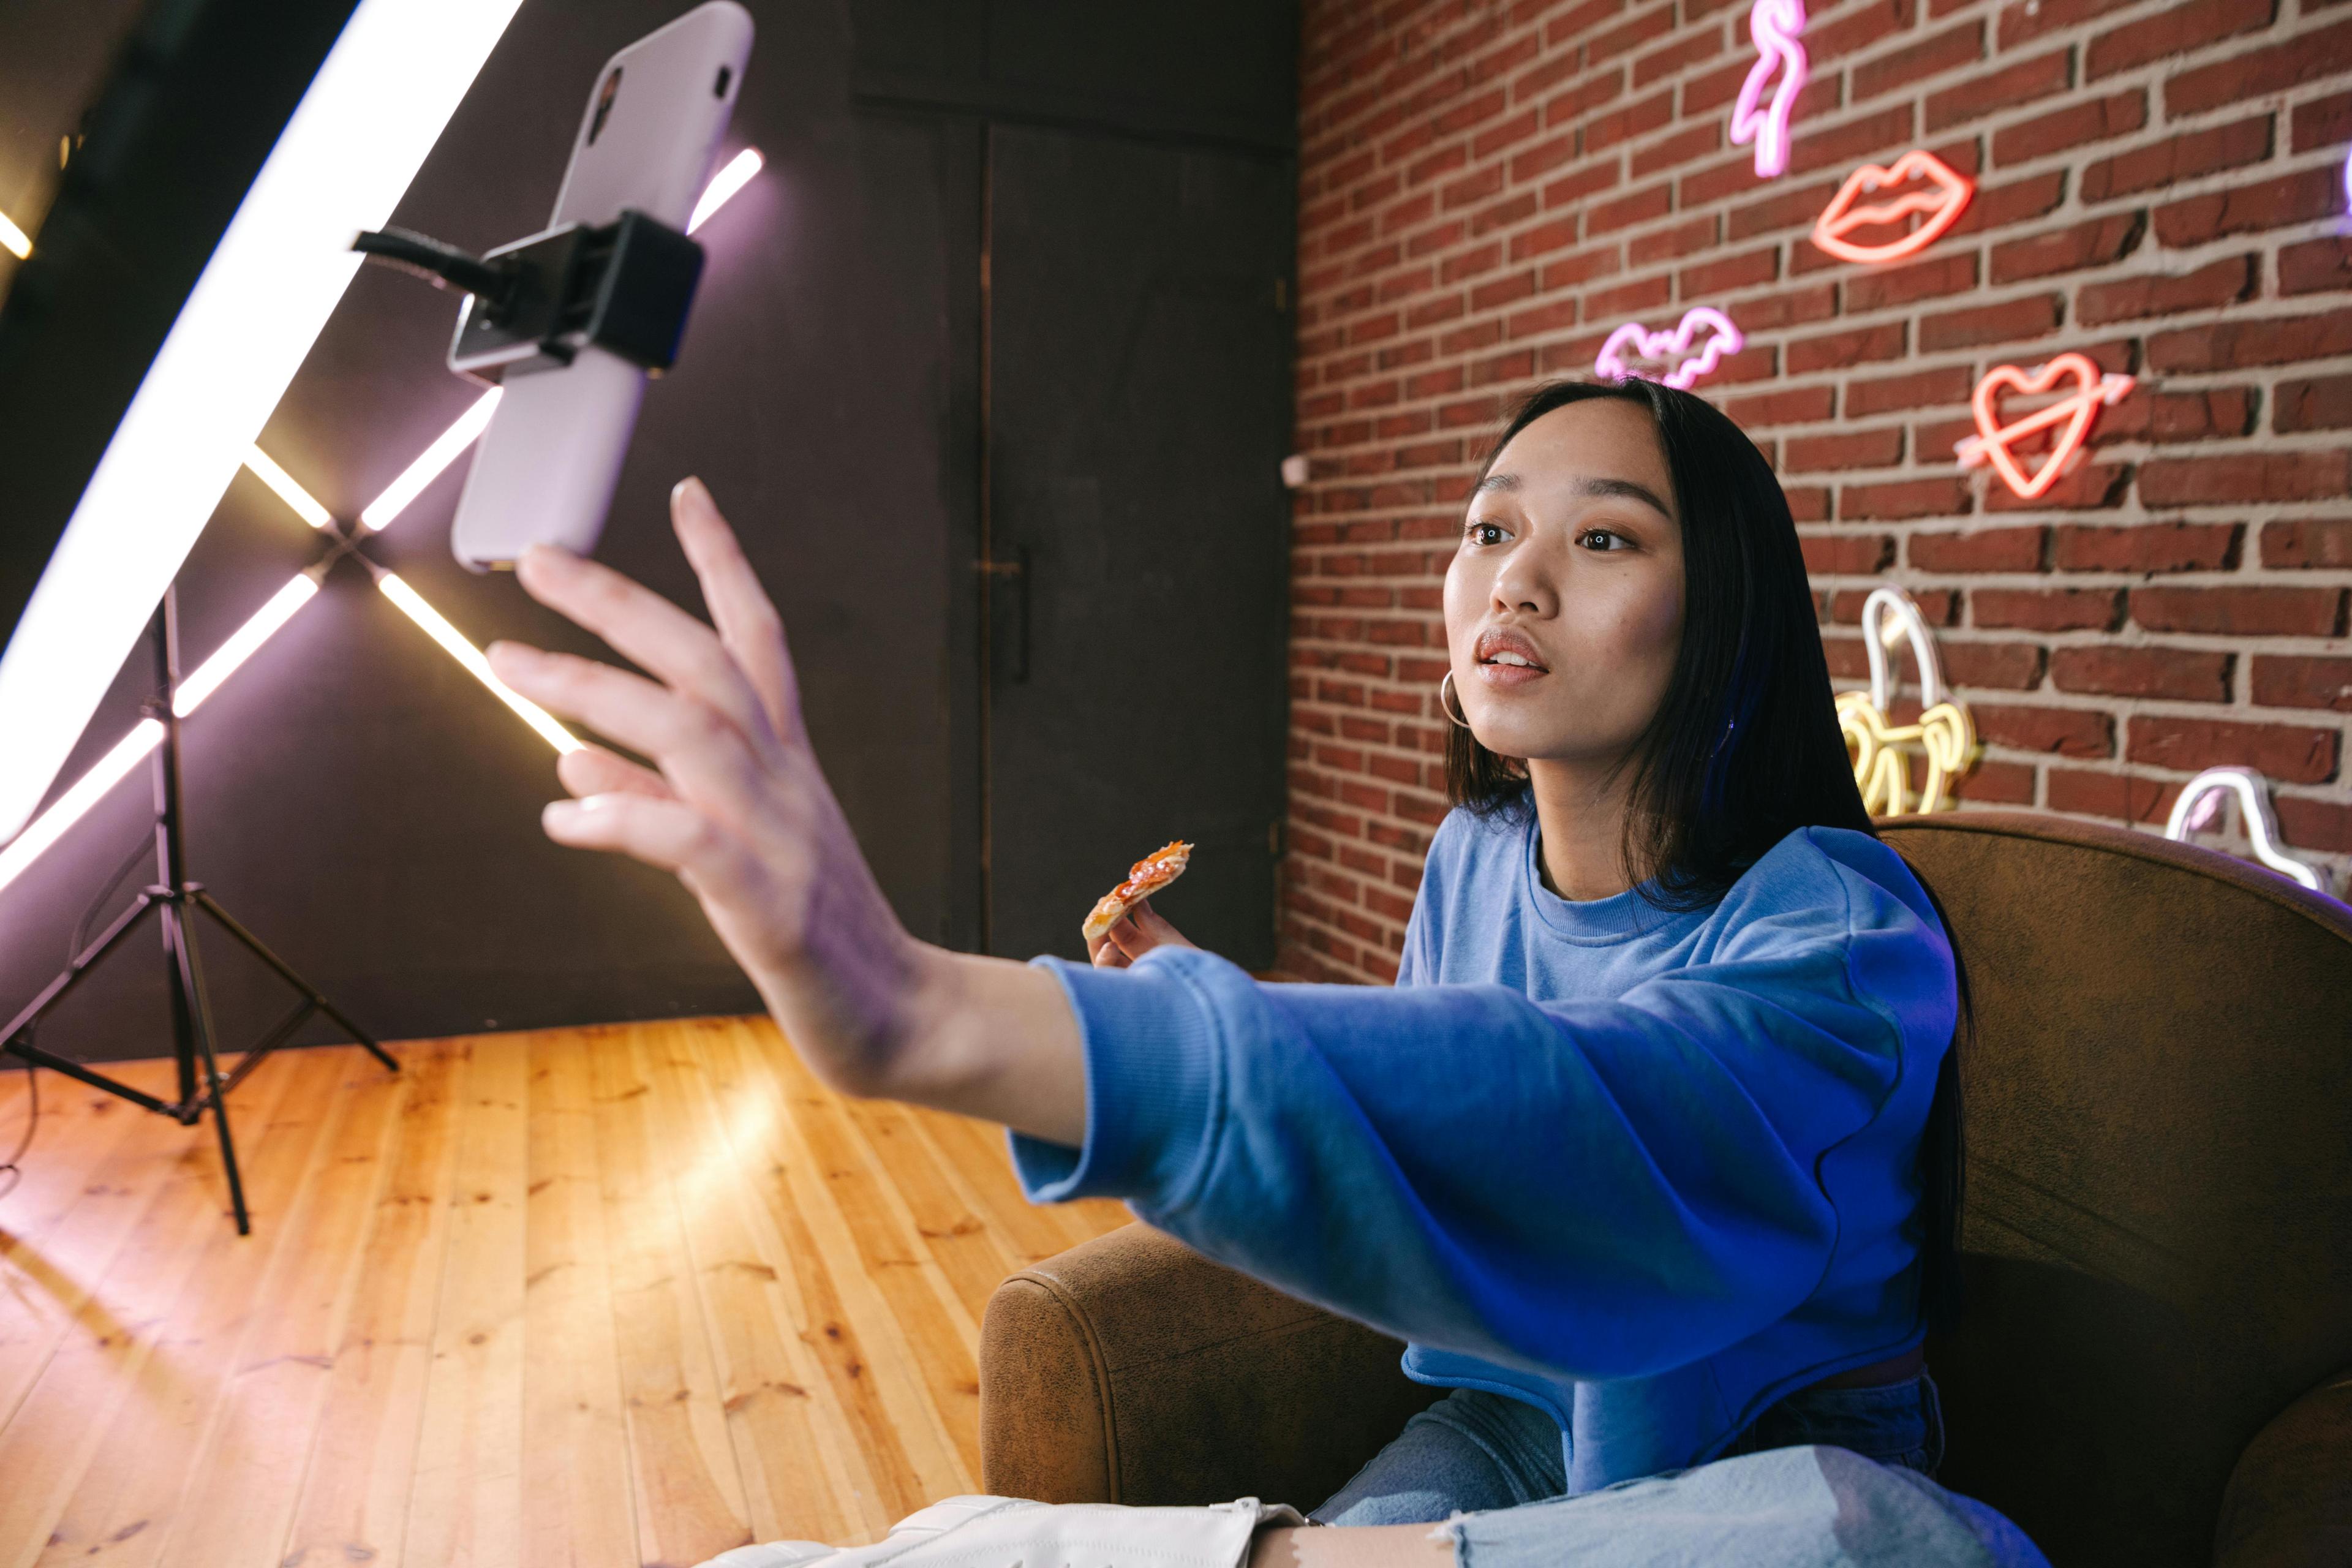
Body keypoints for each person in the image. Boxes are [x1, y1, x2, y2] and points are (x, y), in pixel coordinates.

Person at [483, 379, 2007, 1562]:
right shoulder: (1473, 858)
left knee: (1857, 1536)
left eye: (1601, 537)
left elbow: (1604, 1129)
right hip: (1511, 1430)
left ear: (1726, 611)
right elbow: (1426, 1136)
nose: (1513, 582)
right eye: (1488, 530)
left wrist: (934, 1010)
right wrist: (1219, 996)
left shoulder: (1843, 928)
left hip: (1749, 1489)